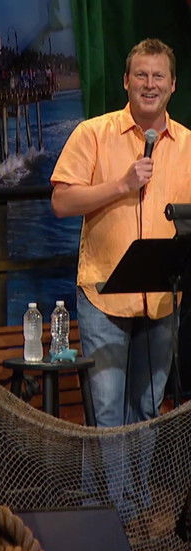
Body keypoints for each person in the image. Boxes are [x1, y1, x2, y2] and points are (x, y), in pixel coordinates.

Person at [51, 39, 191, 428]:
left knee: (148, 413)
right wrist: (121, 185)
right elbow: (61, 202)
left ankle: (138, 475)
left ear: (173, 84)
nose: (150, 84)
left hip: (164, 300)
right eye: (141, 75)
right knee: (107, 415)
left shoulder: (188, 145)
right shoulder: (92, 133)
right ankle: (107, 475)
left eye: (158, 76)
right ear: (126, 81)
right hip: (104, 296)